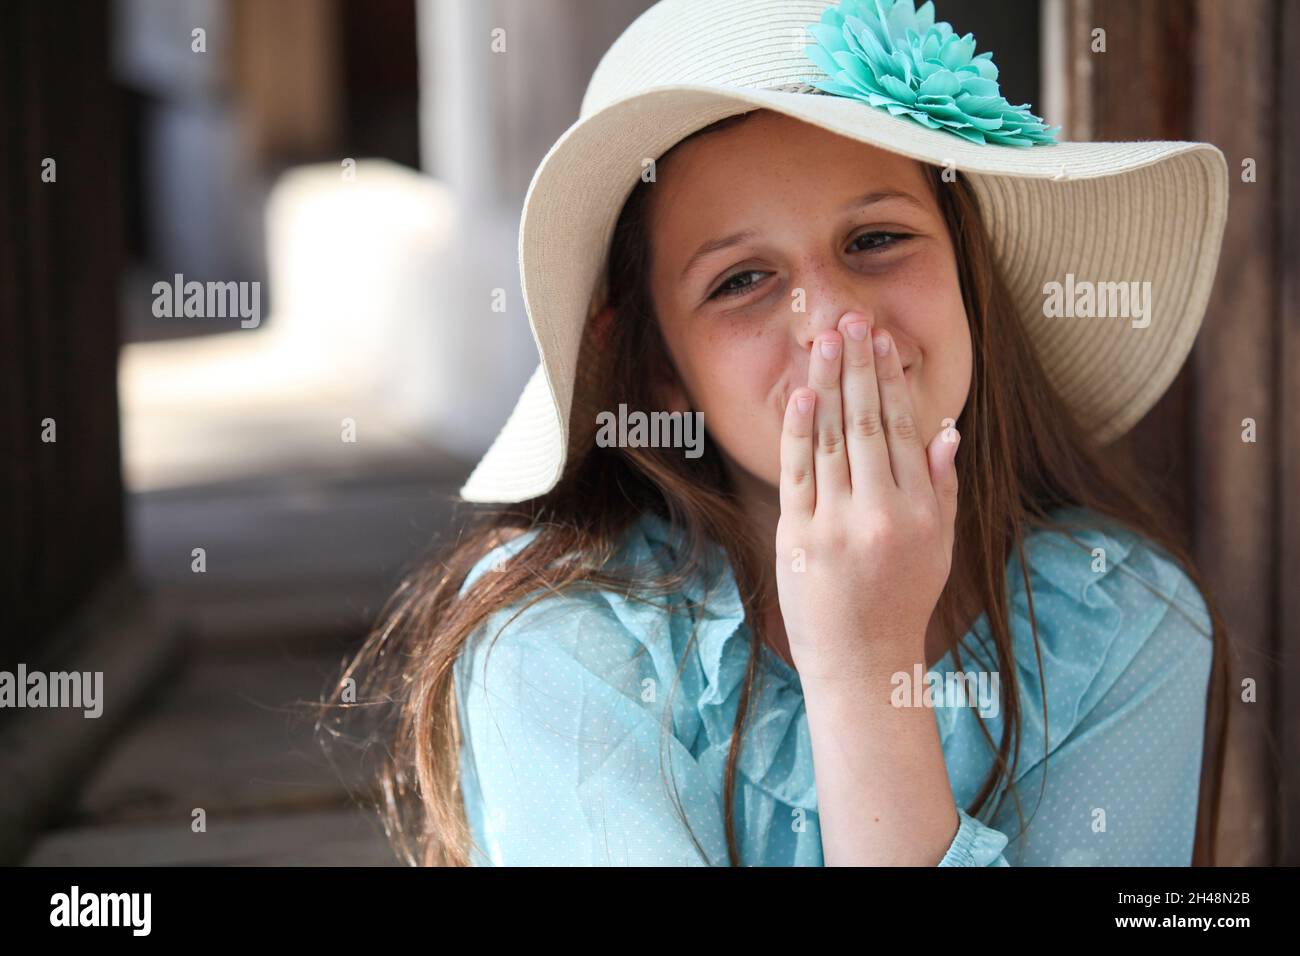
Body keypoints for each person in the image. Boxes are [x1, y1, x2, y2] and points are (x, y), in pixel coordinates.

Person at [335, 0, 1231, 866]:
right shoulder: (559, 644)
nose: (834, 320)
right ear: (658, 375)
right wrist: (863, 660)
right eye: (741, 281)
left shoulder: (1121, 621)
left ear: (970, 277)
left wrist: (866, 663)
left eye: (877, 238)